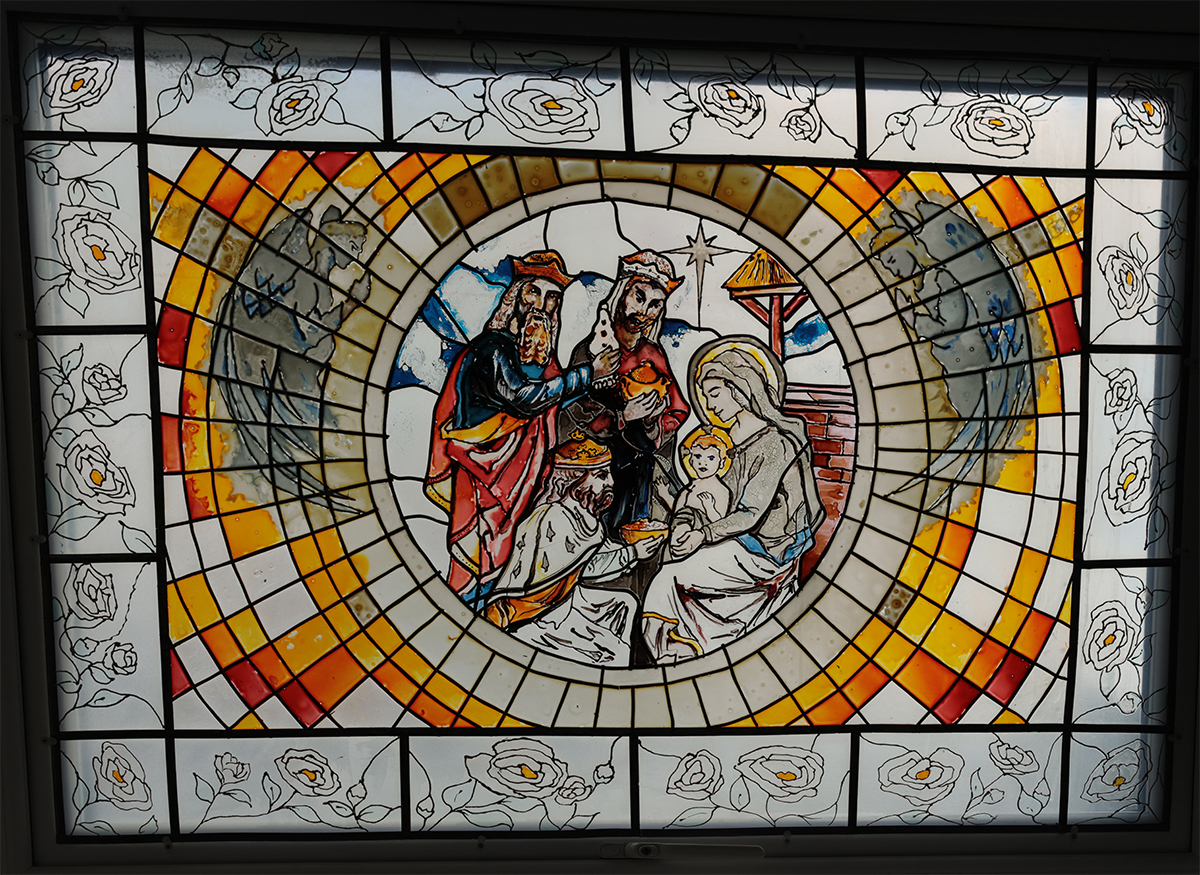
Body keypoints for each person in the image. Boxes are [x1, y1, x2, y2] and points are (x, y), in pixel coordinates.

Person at [424, 251, 618, 610]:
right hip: (482, 468)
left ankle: (486, 609)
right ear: (515, 296)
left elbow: (552, 400)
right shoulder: (491, 348)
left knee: (505, 550)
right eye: (534, 292)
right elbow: (523, 398)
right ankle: (458, 612)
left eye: (552, 297)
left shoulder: (544, 364)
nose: (542, 305)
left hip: (519, 476)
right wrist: (588, 374)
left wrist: (591, 382)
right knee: (475, 550)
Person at [642, 343, 826, 663]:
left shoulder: (776, 443)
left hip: (766, 553)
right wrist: (685, 521)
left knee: (666, 581)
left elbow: (750, 513)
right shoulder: (726, 443)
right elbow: (711, 496)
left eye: (715, 393)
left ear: (739, 389)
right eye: (705, 396)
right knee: (673, 565)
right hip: (737, 542)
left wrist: (703, 535)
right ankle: (684, 651)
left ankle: (674, 654)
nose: (710, 404)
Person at [484, 432, 664, 639]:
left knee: (625, 604)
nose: (611, 482)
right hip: (531, 609)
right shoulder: (553, 517)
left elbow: (599, 555)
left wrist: (631, 547)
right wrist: (631, 553)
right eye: (602, 476)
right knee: (610, 630)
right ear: (576, 479)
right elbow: (586, 567)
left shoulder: (588, 519)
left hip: (562, 599)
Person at [562, 249, 690, 540]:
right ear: (621, 294)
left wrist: (654, 422)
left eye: (655, 304)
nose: (644, 312)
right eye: (639, 297)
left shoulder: (653, 354)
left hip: (641, 468)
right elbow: (574, 412)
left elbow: (678, 410)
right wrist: (623, 416)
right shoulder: (591, 351)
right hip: (599, 466)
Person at [670, 427, 733, 539]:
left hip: (701, 536)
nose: (703, 462)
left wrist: (709, 508)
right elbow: (677, 513)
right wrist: (665, 495)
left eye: (711, 458)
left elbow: (719, 524)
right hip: (680, 531)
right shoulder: (690, 488)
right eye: (698, 456)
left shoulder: (722, 490)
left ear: (722, 463)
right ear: (691, 460)